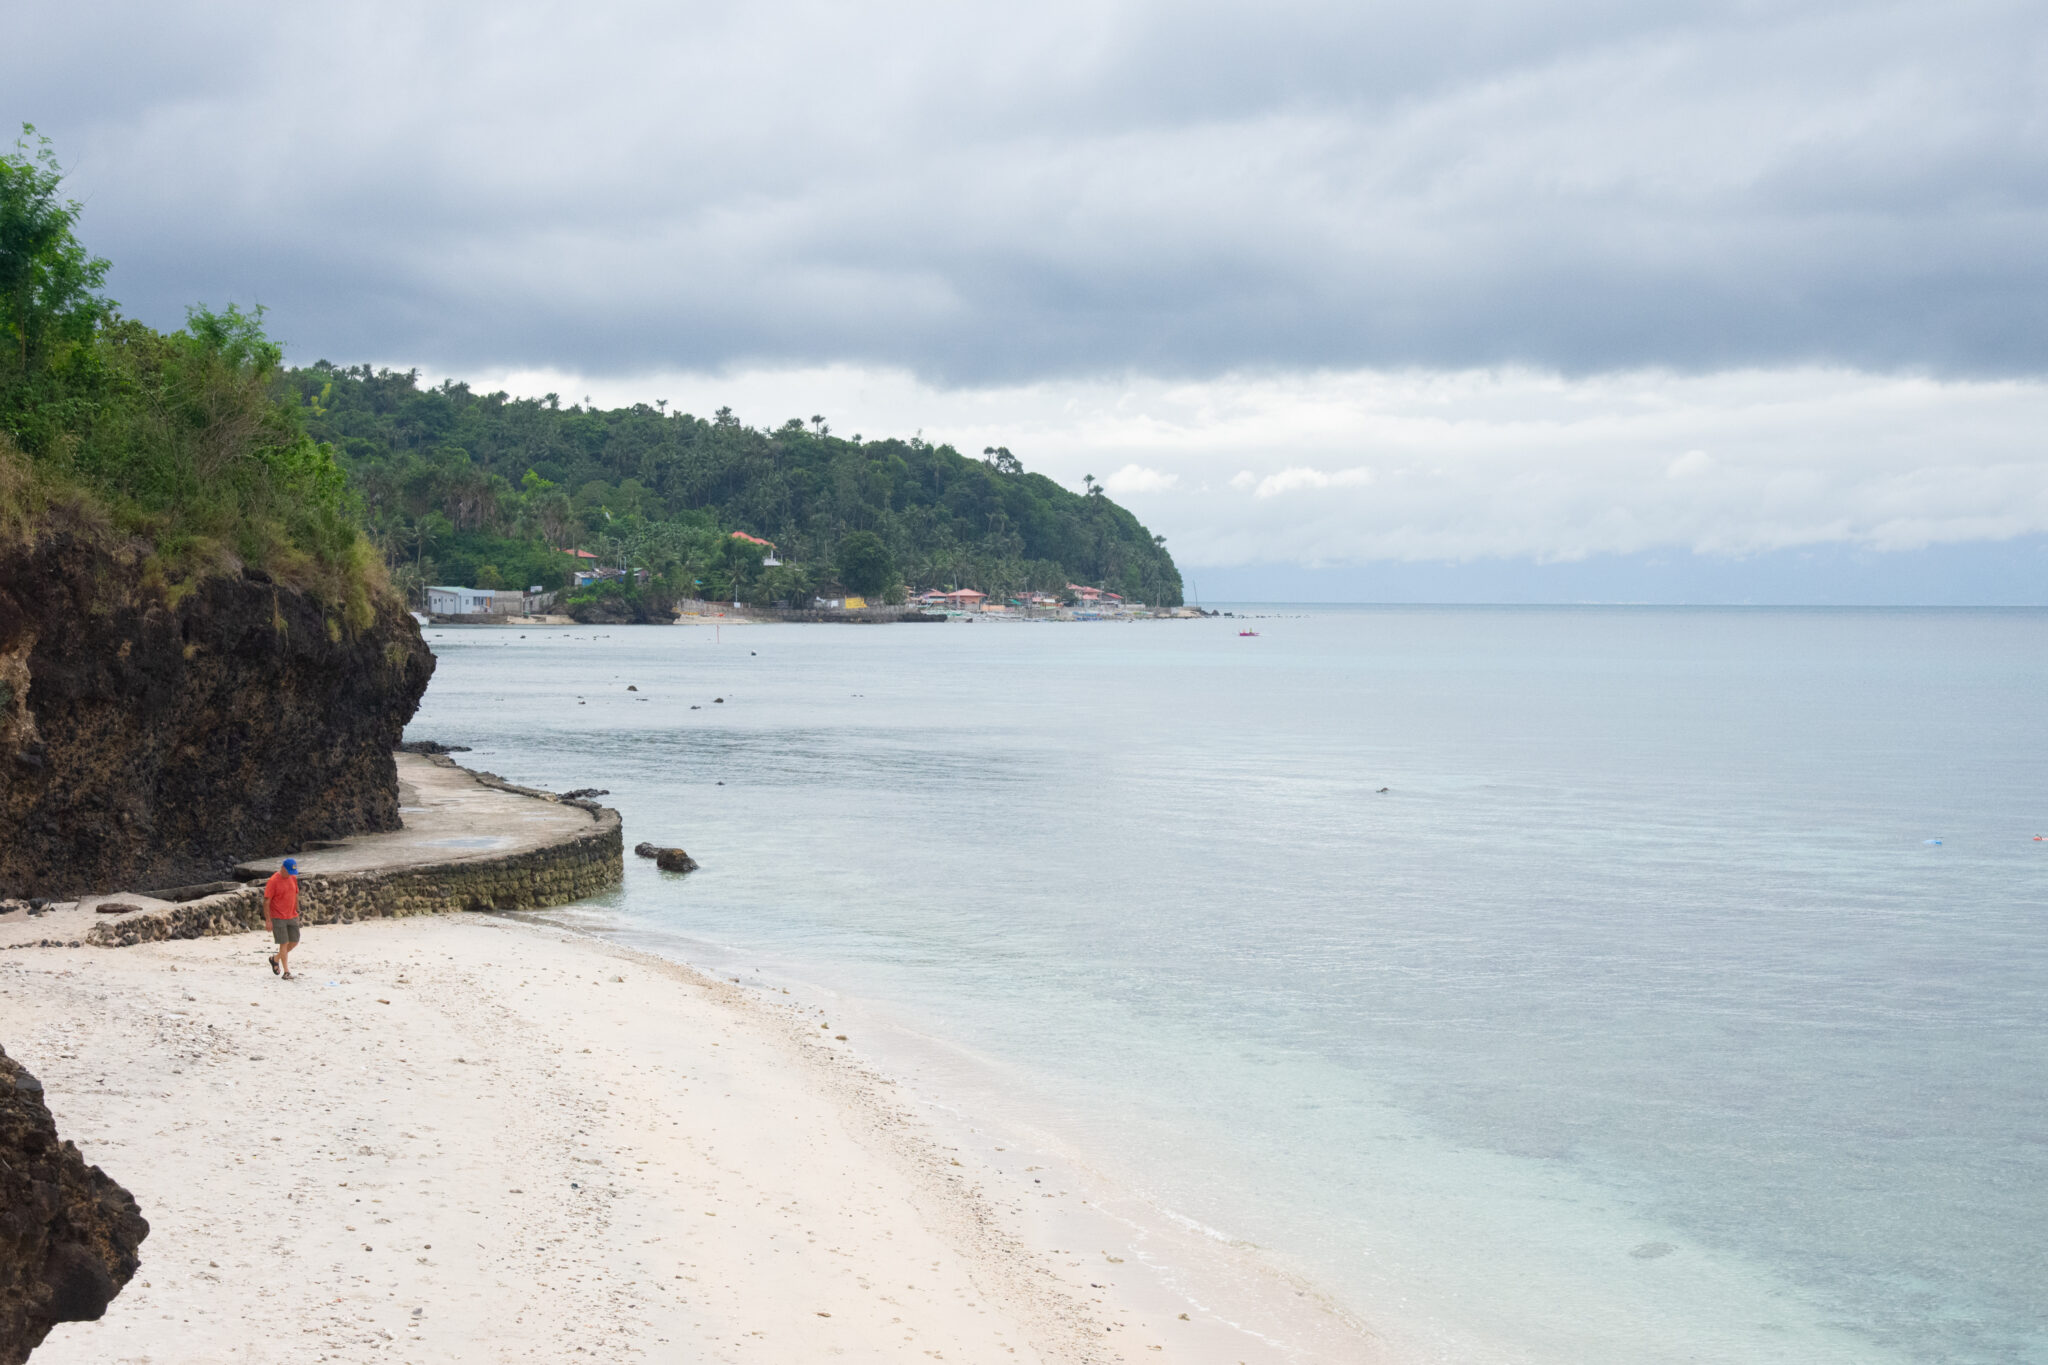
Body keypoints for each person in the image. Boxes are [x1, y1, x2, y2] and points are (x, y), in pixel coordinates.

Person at [265, 858, 302, 979]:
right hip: (278, 916)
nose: (291, 874)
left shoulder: (293, 877)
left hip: (292, 915)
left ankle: (275, 959)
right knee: (284, 943)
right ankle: (286, 972)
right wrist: (268, 920)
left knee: (294, 942)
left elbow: (295, 893)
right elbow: (266, 901)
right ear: (283, 868)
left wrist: (297, 909)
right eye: (289, 871)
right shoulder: (273, 881)